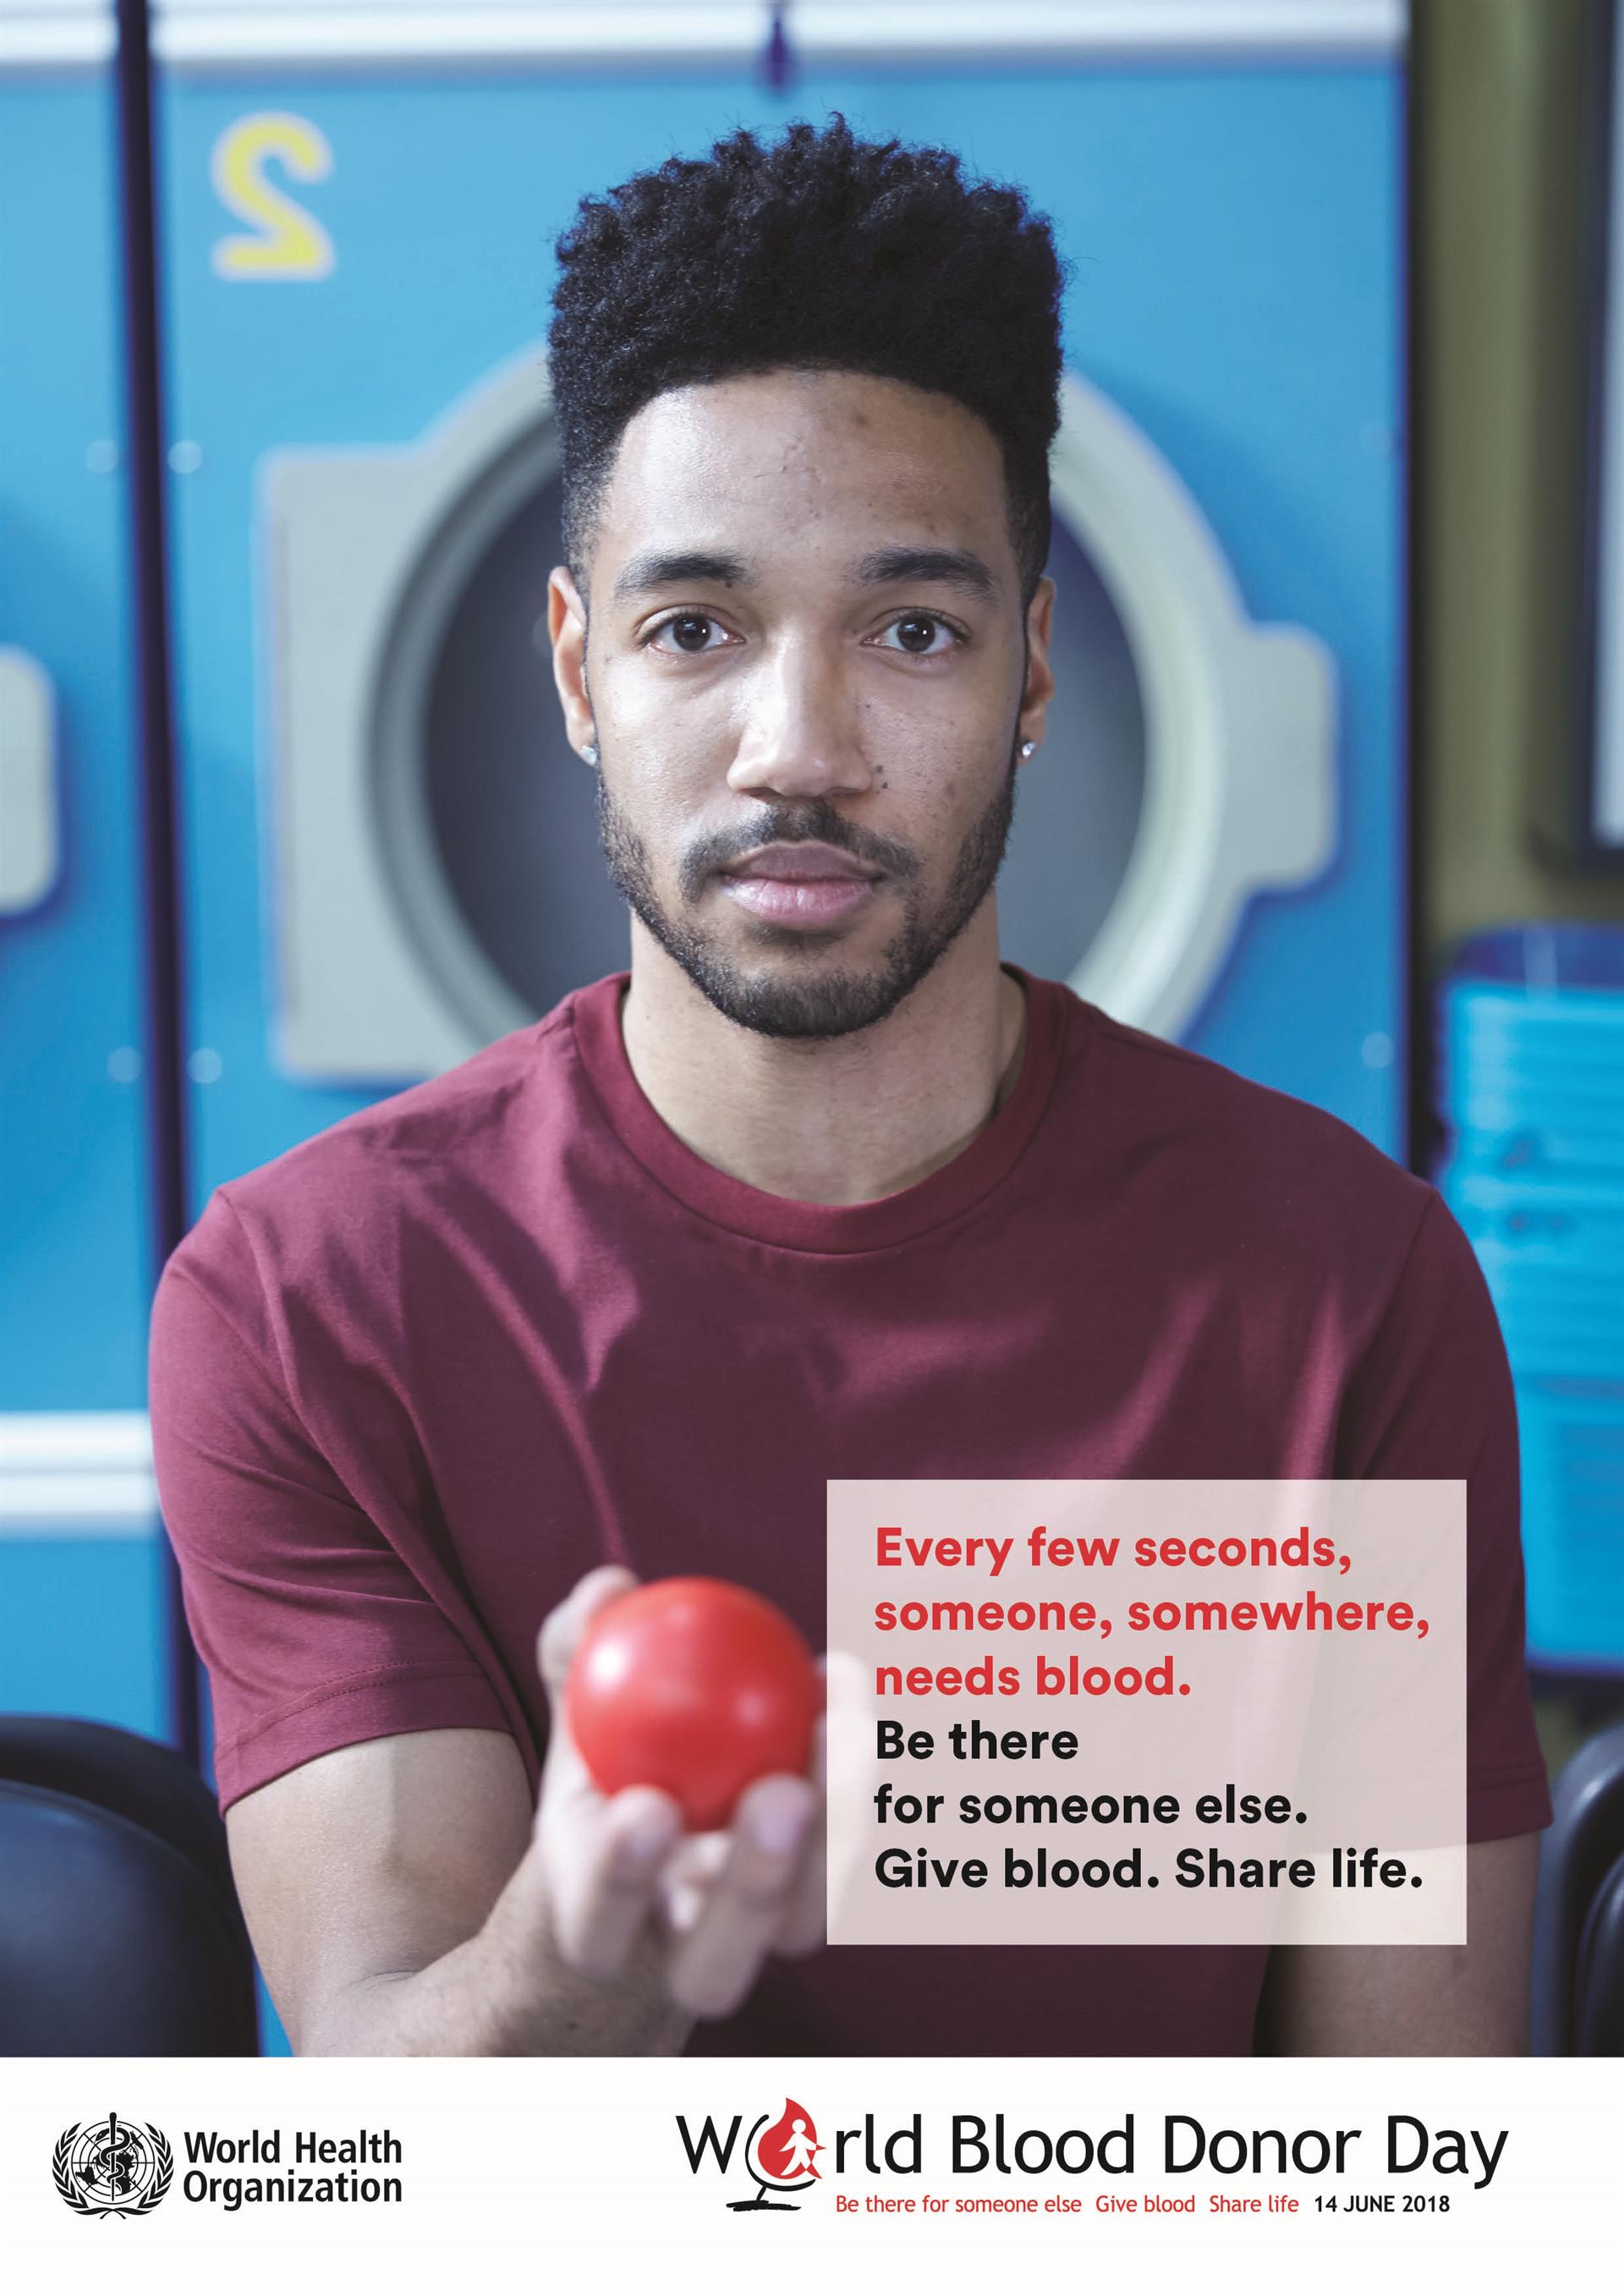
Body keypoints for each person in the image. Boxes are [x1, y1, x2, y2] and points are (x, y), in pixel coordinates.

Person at [149, 118, 1550, 2058]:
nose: (797, 748)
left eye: (912, 630)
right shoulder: (314, 1302)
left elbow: (1412, 2168)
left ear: (1035, 670)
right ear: (578, 671)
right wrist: (577, 1976)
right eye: (694, 629)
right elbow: (376, 2144)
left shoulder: (1342, 1286)